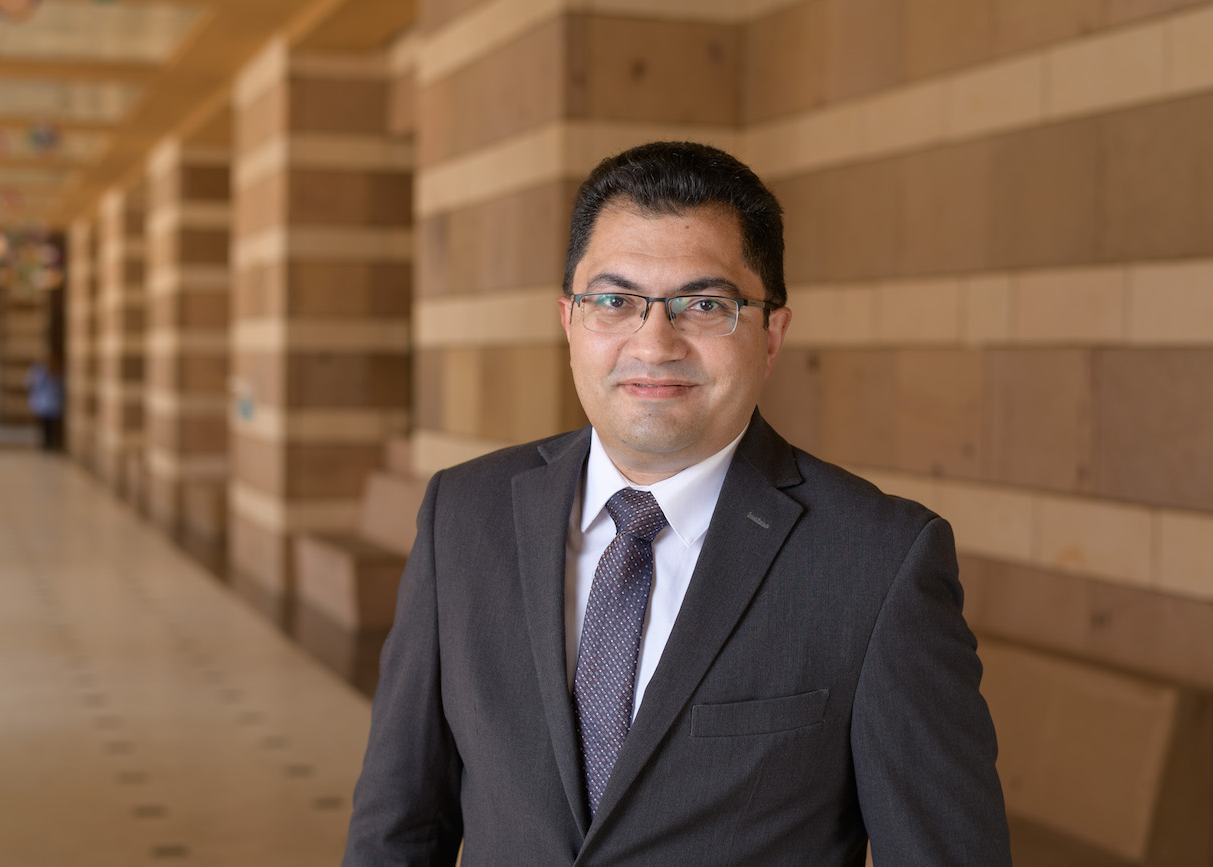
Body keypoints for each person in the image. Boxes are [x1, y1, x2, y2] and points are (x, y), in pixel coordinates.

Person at [343, 141, 1011, 866]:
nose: (654, 342)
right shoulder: (462, 516)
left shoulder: (878, 562)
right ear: (570, 320)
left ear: (771, 333)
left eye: (704, 304)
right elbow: (397, 829)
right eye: (615, 300)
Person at [25, 353, 64, 452]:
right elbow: (30, 385)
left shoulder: (57, 374)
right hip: (43, 404)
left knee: (51, 425)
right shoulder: (40, 372)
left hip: (52, 404)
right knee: (45, 424)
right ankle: (46, 442)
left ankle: (51, 442)